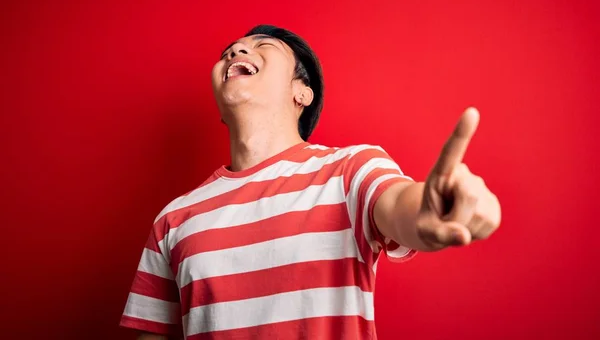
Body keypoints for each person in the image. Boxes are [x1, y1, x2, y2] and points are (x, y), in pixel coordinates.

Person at [120, 25, 501, 340]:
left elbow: (404, 209)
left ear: (302, 92)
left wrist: (434, 211)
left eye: (262, 45)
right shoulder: (174, 219)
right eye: (229, 51)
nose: (236, 50)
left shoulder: (350, 171)